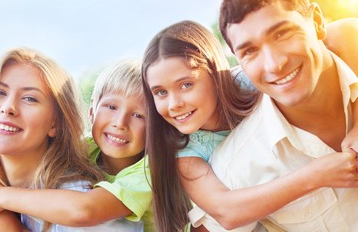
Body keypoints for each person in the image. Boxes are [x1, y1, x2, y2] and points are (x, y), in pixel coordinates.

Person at [141, 19, 358, 232]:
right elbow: (226, 212)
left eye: (186, 84)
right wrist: (314, 176)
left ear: (215, 73)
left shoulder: (247, 81)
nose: (174, 104)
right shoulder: (185, 152)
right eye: (161, 92)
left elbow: (345, 31)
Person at [191, 0, 358, 231]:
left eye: (282, 33)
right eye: (249, 51)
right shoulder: (237, 168)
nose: (273, 64)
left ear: (317, 23)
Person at [0, 48, 143, 231]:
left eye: (30, 98)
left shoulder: (85, 213)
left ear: (56, 124)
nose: (8, 107)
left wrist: (0, 206)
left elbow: (84, 210)